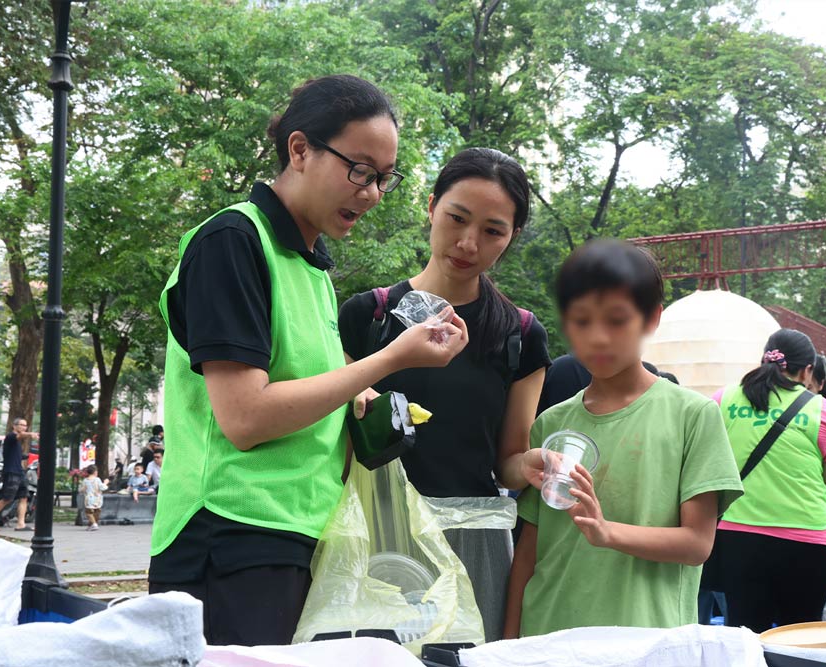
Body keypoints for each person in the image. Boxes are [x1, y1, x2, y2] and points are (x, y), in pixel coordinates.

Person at [148, 74, 469, 647]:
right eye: (360, 170)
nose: (370, 192)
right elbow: (245, 418)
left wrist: (359, 396)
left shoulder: (313, 266)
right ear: (299, 150)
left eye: (383, 179)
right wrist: (386, 361)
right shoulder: (233, 241)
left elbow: (307, 391)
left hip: (298, 534)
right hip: (230, 534)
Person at [338, 147, 551, 641]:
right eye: (457, 218)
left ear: (512, 237)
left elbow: (508, 462)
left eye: (493, 230)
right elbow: (340, 447)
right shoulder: (366, 317)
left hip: (474, 542)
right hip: (377, 537)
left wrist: (536, 463)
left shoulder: (519, 335)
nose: (468, 242)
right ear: (431, 207)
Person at [503, 240, 743, 638]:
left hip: (645, 641)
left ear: (651, 318)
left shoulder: (693, 415)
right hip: (547, 636)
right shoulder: (551, 423)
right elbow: (529, 549)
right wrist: (509, 645)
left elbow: (697, 542)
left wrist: (606, 531)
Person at [713, 329, 826, 632]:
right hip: (807, 541)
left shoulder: (722, 400)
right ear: (808, 370)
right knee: (803, 639)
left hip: (738, 538)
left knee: (745, 637)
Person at [0, 417, 38, 531]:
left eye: (25, 425)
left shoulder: (17, 442)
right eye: (21, 425)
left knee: (23, 497)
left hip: (20, 472)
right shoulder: (11, 437)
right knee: (7, 498)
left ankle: (20, 524)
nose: (24, 427)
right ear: (14, 426)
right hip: (11, 472)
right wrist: (30, 434)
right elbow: (20, 435)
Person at [81, 464, 109, 531]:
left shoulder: (85, 480)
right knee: (96, 512)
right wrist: (105, 483)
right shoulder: (97, 479)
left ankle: (93, 524)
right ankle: (93, 524)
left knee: (89, 513)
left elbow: (82, 489)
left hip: (89, 499)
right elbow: (103, 488)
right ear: (95, 472)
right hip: (97, 499)